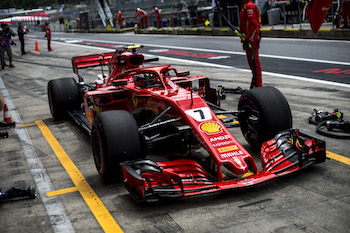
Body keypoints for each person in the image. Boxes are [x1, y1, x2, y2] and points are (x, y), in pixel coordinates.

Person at [239, 0, 262, 88]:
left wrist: (247, 39)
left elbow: (254, 24)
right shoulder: (245, 6)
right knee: (252, 63)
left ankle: (258, 84)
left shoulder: (249, 6)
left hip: (251, 40)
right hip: (249, 40)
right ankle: (256, 83)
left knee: (255, 63)